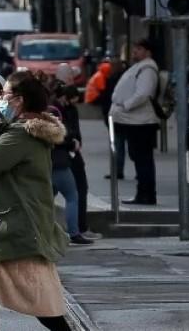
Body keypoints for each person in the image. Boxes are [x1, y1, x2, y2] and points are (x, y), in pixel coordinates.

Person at [0, 75, 73, 331]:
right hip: (16, 219)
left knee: (41, 303)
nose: (0, 99)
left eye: (5, 94)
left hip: (15, 224)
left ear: (19, 100)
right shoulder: (31, 129)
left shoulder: (19, 134)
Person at [108, 39, 160, 205]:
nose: (134, 52)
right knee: (139, 158)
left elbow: (144, 93)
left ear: (147, 52)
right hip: (135, 121)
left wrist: (126, 105)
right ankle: (143, 193)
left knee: (143, 159)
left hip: (141, 122)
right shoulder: (142, 67)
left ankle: (146, 194)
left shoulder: (148, 68)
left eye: (138, 49)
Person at [54, 85, 98, 240]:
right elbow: (60, 135)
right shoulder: (55, 111)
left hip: (54, 159)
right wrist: (72, 142)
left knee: (47, 198)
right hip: (61, 159)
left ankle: (46, 232)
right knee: (73, 195)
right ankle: (75, 231)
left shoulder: (58, 109)